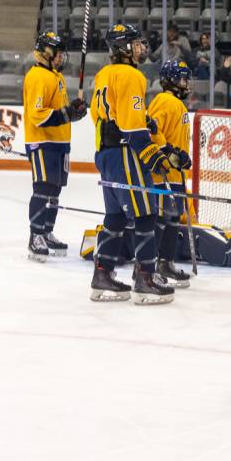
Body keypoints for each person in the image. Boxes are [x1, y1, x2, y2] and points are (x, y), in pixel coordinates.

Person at [90, 23, 175, 305]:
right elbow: (131, 127)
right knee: (146, 214)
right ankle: (145, 279)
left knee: (115, 216)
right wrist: (154, 156)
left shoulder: (104, 73)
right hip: (126, 153)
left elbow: (102, 116)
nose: (141, 48)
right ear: (123, 48)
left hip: (105, 152)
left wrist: (144, 124)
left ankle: (102, 274)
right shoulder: (131, 75)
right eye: (135, 43)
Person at [22, 31, 88, 262]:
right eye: (58, 54)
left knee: (55, 190)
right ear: (47, 53)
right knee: (42, 188)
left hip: (60, 142)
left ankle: (47, 231)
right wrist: (65, 114)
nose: (62, 58)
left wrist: (73, 111)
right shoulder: (38, 76)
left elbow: (60, 111)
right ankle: (35, 235)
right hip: (43, 142)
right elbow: (37, 114)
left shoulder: (55, 76)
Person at [147, 59, 194, 288]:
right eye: (184, 79)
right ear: (172, 80)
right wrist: (169, 153)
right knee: (161, 219)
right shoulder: (164, 101)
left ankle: (165, 263)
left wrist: (181, 156)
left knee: (173, 219)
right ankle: (149, 266)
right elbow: (153, 131)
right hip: (161, 174)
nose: (187, 84)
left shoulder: (178, 104)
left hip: (175, 176)